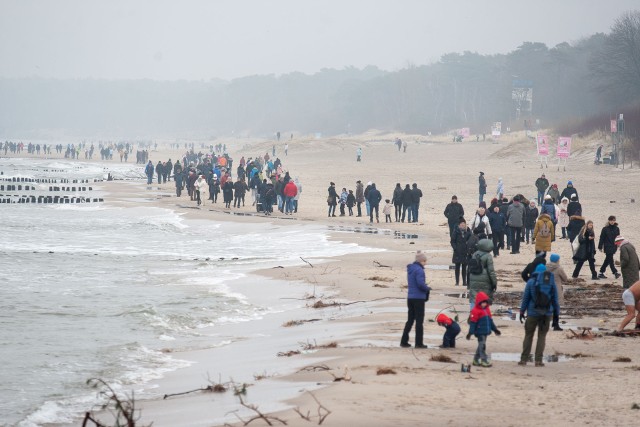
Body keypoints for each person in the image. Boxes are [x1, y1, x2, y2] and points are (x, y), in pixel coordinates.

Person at [518, 264, 560, 366]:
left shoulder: (531, 282)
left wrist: (522, 311)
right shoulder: (551, 282)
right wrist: (556, 316)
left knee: (529, 335)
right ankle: (538, 360)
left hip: (532, 313)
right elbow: (555, 300)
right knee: (542, 336)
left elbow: (526, 299)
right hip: (547, 313)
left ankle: (524, 359)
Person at [400, 251, 430, 349]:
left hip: (411, 297)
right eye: (425, 261)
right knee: (419, 321)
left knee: (410, 320)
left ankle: (404, 341)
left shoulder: (411, 269)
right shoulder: (419, 270)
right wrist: (427, 288)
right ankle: (419, 343)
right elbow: (420, 284)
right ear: (421, 261)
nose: (425, 263)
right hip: (418, 298)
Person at [466, 292, 501, 367]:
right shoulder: (475, 311)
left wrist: (495, 330)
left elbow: (490, 321)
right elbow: (473, 323)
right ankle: (484, 360)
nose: (484, 304)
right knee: (482, 346)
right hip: (479, 332)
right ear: (479, 302)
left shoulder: (487, 310)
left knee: (480, 346)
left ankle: (475, 360)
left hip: (486, 332)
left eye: (485, 302)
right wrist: (470, 333)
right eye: (483, 303)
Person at [468, 238, 497, 308]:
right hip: (485, 279)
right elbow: (491, 271)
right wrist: (494, 283)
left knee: (473, 296)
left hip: (473, 276)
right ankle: (483, 314)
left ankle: (473, 313)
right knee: (484, 297)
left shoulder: (475, 254)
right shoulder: (488, 256)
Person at [546, 253, 568, 330]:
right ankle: (555, 324)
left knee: (548, 305)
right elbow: (565, 279)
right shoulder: (559, 268)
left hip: (547, 288)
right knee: (556, 307)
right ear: (557, 260)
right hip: (556, 289)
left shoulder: (545, 267)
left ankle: (545, 323)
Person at [451, 218, 471, 286]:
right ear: (459, 225)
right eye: (461, 224)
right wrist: (455, 248)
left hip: (465, 252)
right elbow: (452, 241)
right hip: (457, 251)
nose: (463, 225)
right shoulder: (456, 231)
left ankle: (464, 282)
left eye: (464, 224)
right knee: (457, 267)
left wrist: (468, 248)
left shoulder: (468, 232)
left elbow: (471, 240)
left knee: (464, 267)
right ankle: (457, 281)